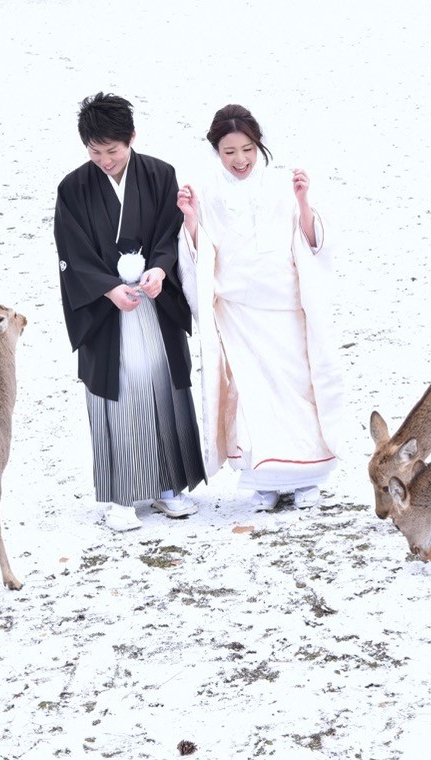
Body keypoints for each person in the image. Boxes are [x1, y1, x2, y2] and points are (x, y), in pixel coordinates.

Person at [176, 104, 346, 510]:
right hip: (238, 311)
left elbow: (312, 242)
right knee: (252, 394)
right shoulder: (208, 191)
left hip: (284, 305)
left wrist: (303, 202)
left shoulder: (282, 186)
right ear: (216, 150)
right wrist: (191, 221)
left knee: (297, 388)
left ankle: (307, 477)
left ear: (259, 146)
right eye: (230, 151)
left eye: (248, 149)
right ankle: (263, 477)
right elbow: (203, 253)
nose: (240, 160)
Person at [54, 92, 205, 532]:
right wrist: (107, 290)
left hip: (154, 304)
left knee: (161, 383)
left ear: (131, 139)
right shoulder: (73, 188)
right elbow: (72, 252)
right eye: (95, 151)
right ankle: (122, 497)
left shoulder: (159, 175)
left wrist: (159, 269)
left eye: (113, 150)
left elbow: (169, 232)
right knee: (118, 391)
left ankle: (167, 487)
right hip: (108, 312)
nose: (104, 160)